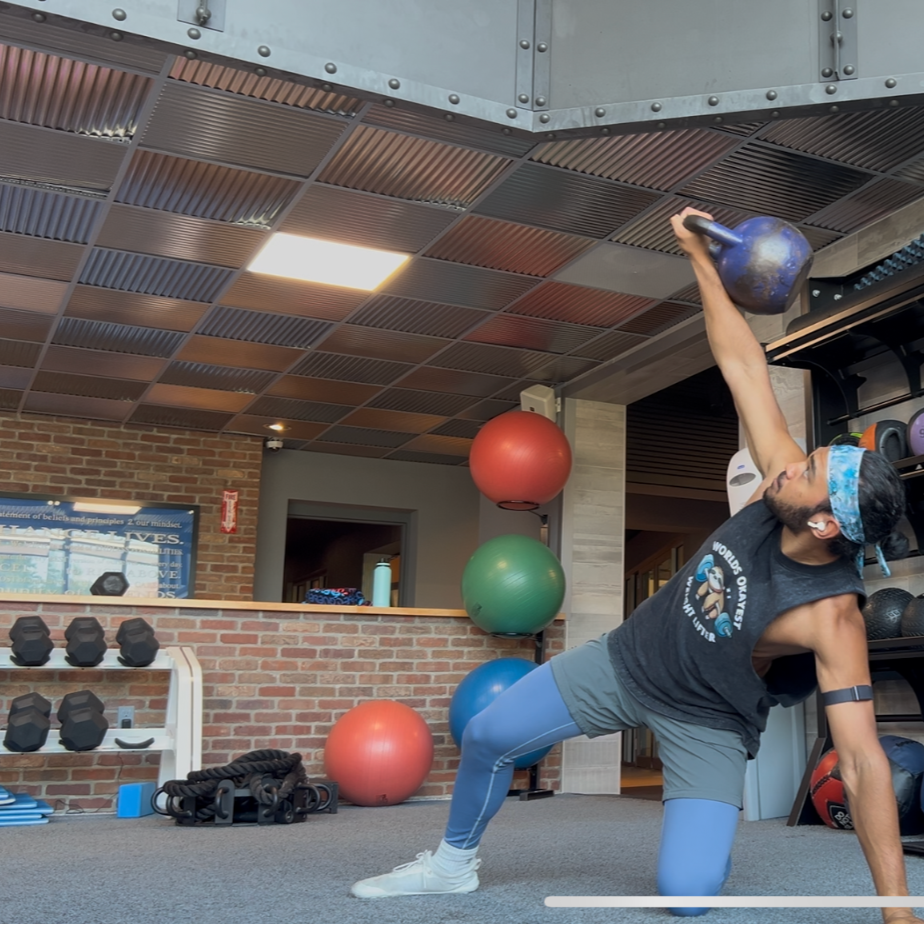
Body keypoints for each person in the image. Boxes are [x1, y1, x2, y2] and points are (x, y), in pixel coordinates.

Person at [349, 206, 922, 925]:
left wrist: (899, 912)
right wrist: (699, 261)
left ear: (825, 522)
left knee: (686, 894)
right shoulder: (784, 485)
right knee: (490, 733)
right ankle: (449, 865)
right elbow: (744, 362)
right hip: (628, 657)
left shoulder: (833, 616)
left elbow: (865, 762)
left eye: (805, 471)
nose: (786, 465)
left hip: (707, 721)